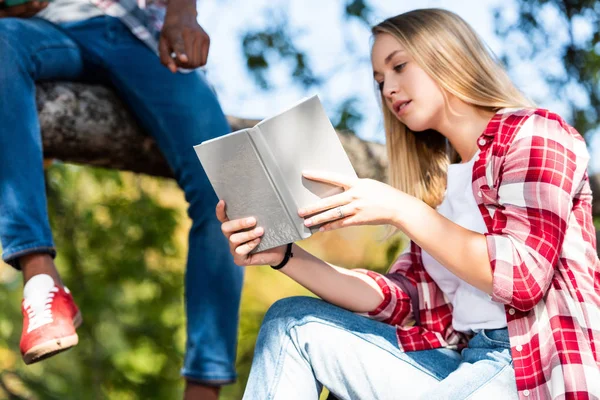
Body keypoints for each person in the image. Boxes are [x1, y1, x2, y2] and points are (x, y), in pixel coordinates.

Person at [216, 8, 600, 400]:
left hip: (527, 370)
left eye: (399, 66)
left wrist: (402, 210)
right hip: (460, 363)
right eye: (380, 80)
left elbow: (524, 277)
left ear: (448, 54)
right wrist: (285, 256)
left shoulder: (536, 134)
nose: (387, 89)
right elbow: (401, 300)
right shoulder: (439, 187)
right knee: (291, 323)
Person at [0, 0, 243, 398]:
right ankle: (40, 278)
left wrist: (183, 12)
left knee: (226, 179)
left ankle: (204, 385)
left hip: (138, 33)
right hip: (45, 31)